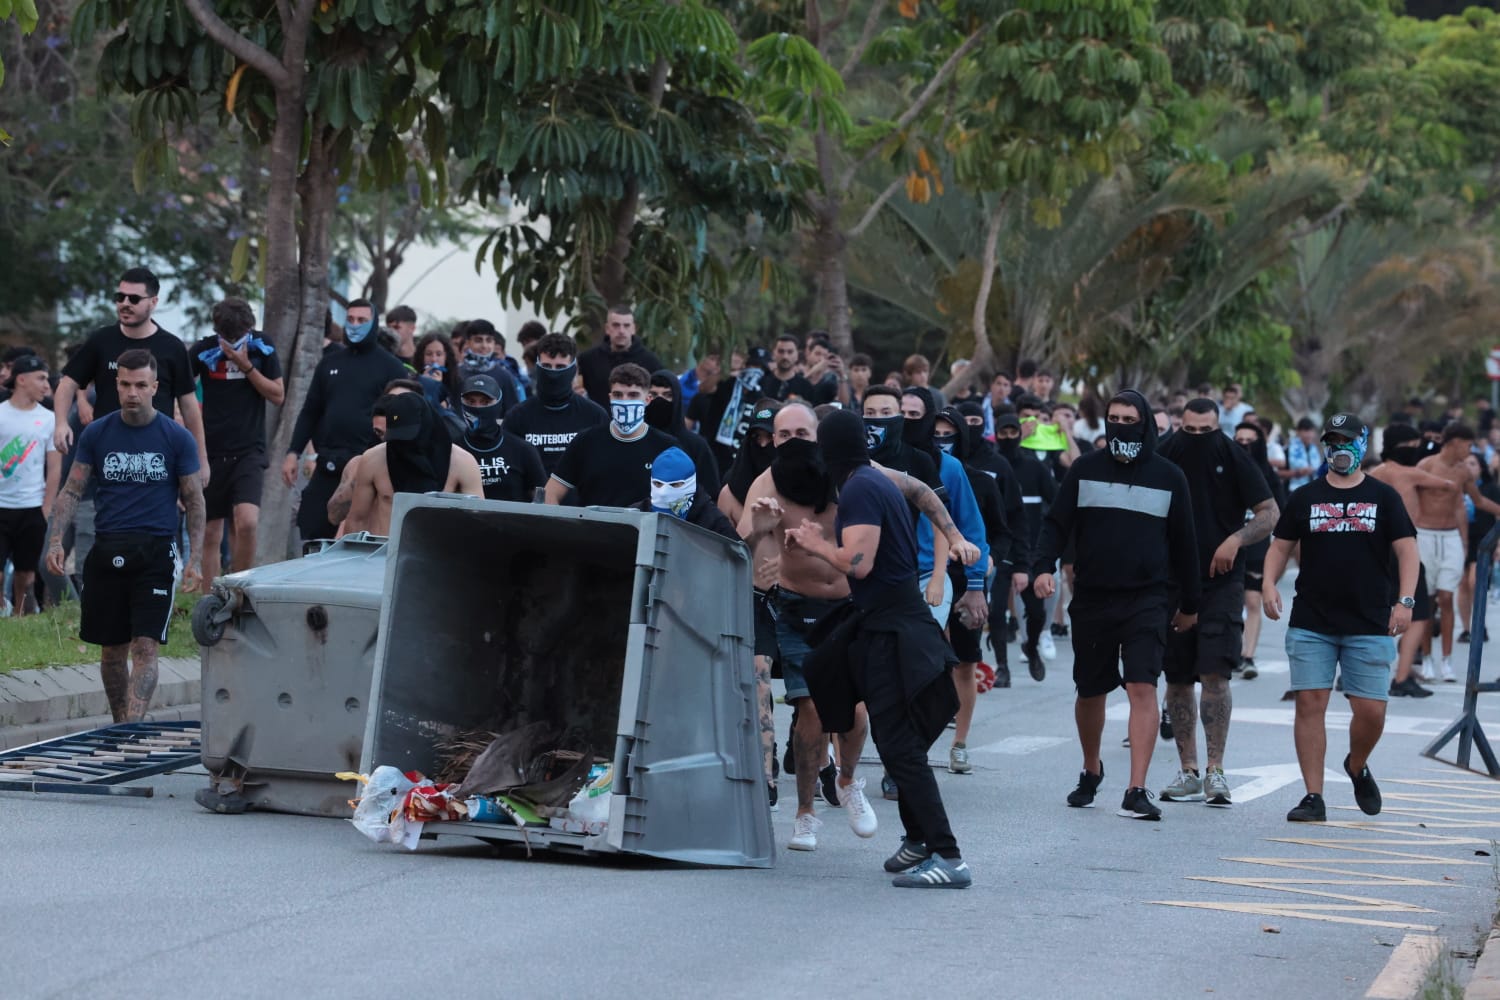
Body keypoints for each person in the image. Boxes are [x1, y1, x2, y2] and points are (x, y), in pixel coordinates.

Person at [792, 409, 972, 889]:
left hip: (896, 631)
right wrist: (953, 535)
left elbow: (859, 562)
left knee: (900, 747)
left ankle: (948, 856)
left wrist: (814, 544)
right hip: (885, 624)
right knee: (887, 733)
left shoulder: (857, 488)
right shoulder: (875, 477)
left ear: (827, 451)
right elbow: (920, 490)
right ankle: (918, 839)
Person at [1034, 389, 1200, 821]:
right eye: (1114, 418)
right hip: (1092, 598)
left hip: (1148, 599)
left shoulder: (1169, 476)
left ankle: (1136, 787)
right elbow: (1056, 524)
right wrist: (1042, 567)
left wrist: (1191, 602)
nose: (1121, 425)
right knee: (1091, 691)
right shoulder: (1085, 470)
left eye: (1130, 418)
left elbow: (1186, 545)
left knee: (1142, 686)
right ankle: (1091, 769)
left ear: (1145, 423)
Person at [1263, 413, 1418, 822]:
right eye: (1332, 441)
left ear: (1362, 444)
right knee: (1310, 704)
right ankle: (1313, 796)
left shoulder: (1384, 497)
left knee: (1371, 712)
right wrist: (1267, 584)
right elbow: (1280, 546)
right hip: (1312, 620)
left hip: (1370, 620)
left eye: (1347, 440)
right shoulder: (1305, 496)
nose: (1339, 449)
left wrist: (1405, 602)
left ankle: (1356, 764)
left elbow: (1407, 551)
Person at [44, 349, 204, 722]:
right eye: (126, 384)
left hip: (155, 552)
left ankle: (131, 726)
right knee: (110, 651)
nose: (133, 393)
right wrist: (55, 539)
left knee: (145, 647)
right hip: (107, 549)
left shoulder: (176, 437)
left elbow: (194, 499)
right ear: (116, 385)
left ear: (155, 387)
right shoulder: (98, 432)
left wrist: (195, 555)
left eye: (141, 385)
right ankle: (121, 728)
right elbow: (71, 490)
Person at [1155, 399, 1277, 808]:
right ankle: (1187, 770)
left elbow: (1269, 512)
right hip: (1171, 581)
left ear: (1217, 426)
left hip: (1222, 581)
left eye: (1204, 431)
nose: (1196, 439)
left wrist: (1236, 539)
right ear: (1180, 425)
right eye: (1189, 431)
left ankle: (1215, 770)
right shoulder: (1166, 452)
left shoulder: (1234, 455)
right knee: (1176, 677)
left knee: (1215, 674)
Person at [53, 267, 209, 479]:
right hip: (108, 454)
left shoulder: (172, 347)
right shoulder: (101, 340)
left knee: (159, 511)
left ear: (153, 302)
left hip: (156, 456)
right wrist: (61, 423)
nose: (125, 303)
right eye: (120, 297)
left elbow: (189, 405)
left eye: (134, 299)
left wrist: (201, 460)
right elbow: (67, 383)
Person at [283, 299, 409, 542]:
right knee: (312, 527)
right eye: (350, 319)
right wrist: (293, 452)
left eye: (362, 320)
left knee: (357, 538)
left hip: (368, 465)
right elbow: (311, 410)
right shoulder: (330, 363)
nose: (354, 325)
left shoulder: (391, 367)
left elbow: (400, 418)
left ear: (373, 323)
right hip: (328, 463)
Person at [934, 405, 1012, 769]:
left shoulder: (980, 480)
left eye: (949, 435)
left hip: (969, 579)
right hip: (926, 578)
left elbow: (999, 531)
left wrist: (991, 559)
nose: (941, 442)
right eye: (935, 435)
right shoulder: (916, 473)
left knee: (965, 662)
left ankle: (959, 742)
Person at [190, 298, 285, 582]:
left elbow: (278, 395)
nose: (233, 342)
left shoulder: (262, 347)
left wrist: (247, 367)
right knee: (210, 531)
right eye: (227, 338)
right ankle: (210, 605)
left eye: (238, 336)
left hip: (249, 450)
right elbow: (179, 390)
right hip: (211, 451)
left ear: (249, 328)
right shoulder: (203, 350)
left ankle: (239, 591)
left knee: (246, 522)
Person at [1372, 423, 1456, 697]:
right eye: (1413, 446)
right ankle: (1402, 676)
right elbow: (1446, 484)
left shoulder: (1374, 474)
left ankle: (1355, 672)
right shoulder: (1409, 474)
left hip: (1374, 552)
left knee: (1377, 613)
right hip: (1402, 551)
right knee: (1418, 615)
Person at [1415, 424, 1500, 681]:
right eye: (1467, 444)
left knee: (1446, 598)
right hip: (1425, 535)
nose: (1470, 450)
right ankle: (1427, 658)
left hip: (1450, 536)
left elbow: (1478, 501)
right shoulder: (1426, 466)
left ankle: (1447, 661)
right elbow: (1408, 496)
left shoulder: (1464, 471)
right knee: (1427, 601)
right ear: (1453, 443)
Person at [344, 392, 483, 535]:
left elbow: (479, 522)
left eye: (409, 437)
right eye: (398, 438)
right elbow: (357, 519)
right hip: (384, 552)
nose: (404, 445)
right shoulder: (373, 460)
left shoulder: (462, 463)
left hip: (441, 552)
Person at [545, 363, 676, 508]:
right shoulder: (586, 441)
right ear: (610, 397)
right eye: (618, 395)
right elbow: (550, 493)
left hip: (645, 529)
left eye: (633, 395)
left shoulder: (666, 447)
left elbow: (679, 503)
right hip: (592, 528)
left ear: (647, 399)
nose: (625, 401)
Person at [995, 410, 1057, 680]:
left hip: (1028, 550)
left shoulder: (1034, 467)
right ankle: (1002, 668)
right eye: (1003, 433)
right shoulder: (990, 467)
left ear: (1020, 435)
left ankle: (1031, 647)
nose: (1008, 438)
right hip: (997, 550)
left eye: (1012, 432)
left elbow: (1056, 500)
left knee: (1036, 611)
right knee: (996, 611)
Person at [0, 355, 61, 615]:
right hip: (1, 506)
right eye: (41, 378)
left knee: (27, 574)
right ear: (21, 379)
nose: (46, 385)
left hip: (32, 507)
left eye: (47, 379)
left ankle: (20, 619)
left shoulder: (49, 419)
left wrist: (47, 506)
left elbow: (55, 466)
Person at [504, 332, 609, 478]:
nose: (553, 373)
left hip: (580, 499)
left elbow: (602, 468)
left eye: (560, 367)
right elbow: (510, 469)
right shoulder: (517, 417)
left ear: (574, 368)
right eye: (547, 366)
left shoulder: (595, 416)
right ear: (538, 366)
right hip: (531, 499)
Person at [1233, 420, 1286, 679]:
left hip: (1257, 546)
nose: (1244, 446)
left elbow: (1281, 515)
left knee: (1252, 600)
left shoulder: (1269, 476)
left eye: (1249, 441)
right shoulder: (1223, 471)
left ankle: (1248, 655)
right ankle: (1230, 650)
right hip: (1226, 545)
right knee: (1229, 601)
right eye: (1239, 441)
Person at [455, 374, 547, 503]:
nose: (477, 407)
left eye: (485, 402)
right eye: (471, 402)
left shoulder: (522, 450)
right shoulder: (452, 451)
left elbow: (542, 502)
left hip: (514, 522)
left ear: (498, 403)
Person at [632, 446, 738, 540]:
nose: (664, 493)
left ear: (690, 483)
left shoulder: (713, 523)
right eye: (658, 484)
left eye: (674, 485)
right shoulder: (635, 515)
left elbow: (736, 557)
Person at [647, 370, 720, 496]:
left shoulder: (696, 445)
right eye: (653, 394)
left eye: (667, 395)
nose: (660, 400)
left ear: (677, 398)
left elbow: (710, 493)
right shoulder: (636, 440)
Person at [578, 306, 663, 407]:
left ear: (634, 329)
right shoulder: (587, 360)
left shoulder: (651, 362)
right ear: (607, 328)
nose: (621, 330)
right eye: (616, 325)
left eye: (626, 325)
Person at [457, 320, 523, 408]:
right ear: (468, 343)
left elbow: (513, 413)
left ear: (494, 343)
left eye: (489, 340)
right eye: (478, 340)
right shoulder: (456, 374)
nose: (484, 345)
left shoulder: (504, 376)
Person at [414, 331, 463, 413]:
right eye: (429, 354)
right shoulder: (413, 381)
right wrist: (426, 384)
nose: (434, 359)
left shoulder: (457, 383)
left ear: (446, 357)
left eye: (439, 354)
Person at [1285, 418, 1320, 491]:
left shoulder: (1314, 449)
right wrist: (1298, 472)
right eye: (1305, 431)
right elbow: (1278, 473)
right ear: (1298, 432)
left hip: (1314, 488)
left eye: (1311, 431)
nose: (1309, 434)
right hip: (1295, 489)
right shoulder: (1289, 449)